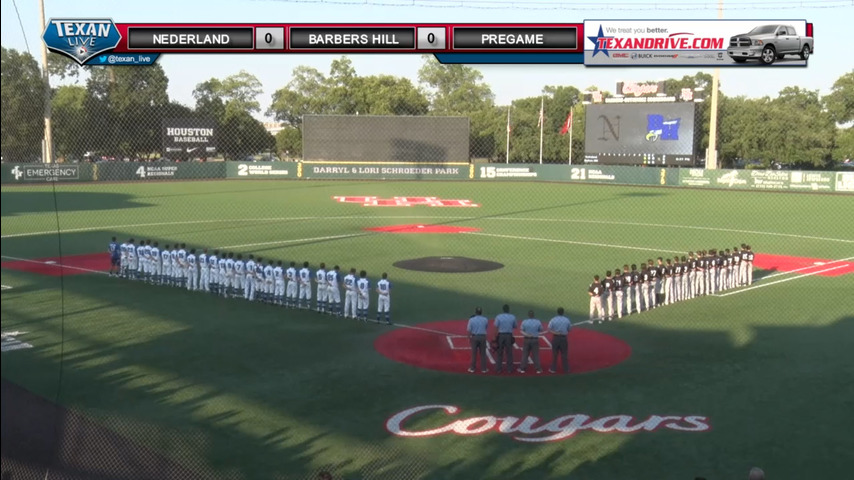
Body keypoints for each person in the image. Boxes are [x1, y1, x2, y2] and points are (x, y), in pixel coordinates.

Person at [493, 305, 517, 373]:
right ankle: (509, 369)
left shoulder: (499, 316)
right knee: (509, 353)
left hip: (501, 336)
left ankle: (498, 369)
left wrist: (494, 337)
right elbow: (515, 326)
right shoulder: (512, 317)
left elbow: (496, 327)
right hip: (509, 336)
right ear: (508, 309)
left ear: (503, 309)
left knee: (499, 352)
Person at [548, 307, 571, 373]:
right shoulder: (567, 320)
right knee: (564, 354)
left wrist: (556, 332)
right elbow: (569, 329)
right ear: (563, 312)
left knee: (554, 354)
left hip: (555, 338)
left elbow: (549, 329)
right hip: (563, 338)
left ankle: (553, 369)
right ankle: (566, 369)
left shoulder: (553, 319)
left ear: (557, 312)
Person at [466, 307, 489, 373]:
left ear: (475, 312)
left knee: (474, 353)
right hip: (482, 337)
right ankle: (484, 369)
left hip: (474, 337)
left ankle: (472, 368)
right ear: (481, 312)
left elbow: (469, 330)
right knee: (483, 353)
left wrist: (469, 338)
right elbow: (486, 327)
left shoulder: (471, 320)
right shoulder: (485, 319)